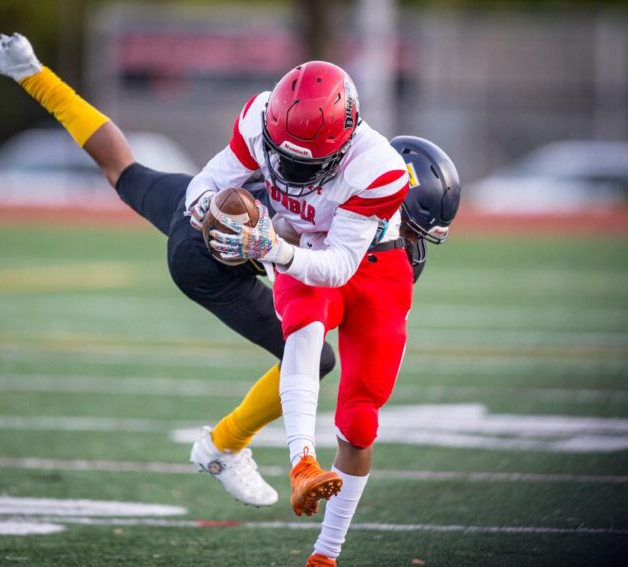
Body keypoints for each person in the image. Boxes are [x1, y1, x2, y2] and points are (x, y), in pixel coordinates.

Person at [0, 34, 461, 566]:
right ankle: (223, 446)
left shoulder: (361, 171)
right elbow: (299, 246)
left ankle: (29, 70)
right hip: (206, 264)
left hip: (216, 222)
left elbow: (237, 205)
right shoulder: (287, 145)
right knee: (316, 354)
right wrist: (244, 227)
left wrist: (239, 218)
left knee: (124, 172)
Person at [186, 61, 460, 566]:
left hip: (358, 265)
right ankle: (302, 464)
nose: (289, 175)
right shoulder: (256, 117)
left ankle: (325, 555)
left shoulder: (375, 169)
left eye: (306, 165)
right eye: (278, 157)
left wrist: (271, 248)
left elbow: (336, 267)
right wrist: (212, 215)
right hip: (299, 245)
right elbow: (202, 186)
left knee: (360, 420)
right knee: (305, 329)